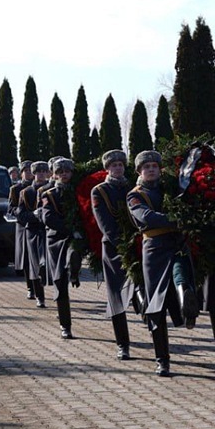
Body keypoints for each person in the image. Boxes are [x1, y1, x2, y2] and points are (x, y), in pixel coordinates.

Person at [127, 150, 197, 377]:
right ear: (139, 171)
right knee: (156, 305)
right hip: (154, 249)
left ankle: (187, 305)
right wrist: (176, 220)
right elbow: (146, 217)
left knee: (181, 275)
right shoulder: (135, 195)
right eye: (146, 167)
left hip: (176, 244)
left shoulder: (171, 189)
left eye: (154, 166)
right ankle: (162, 360)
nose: (151, 170)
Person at [91, 150, 134, 360]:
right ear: (107, 168)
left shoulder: (132, 187)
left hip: (137, 245)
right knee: (116, 296)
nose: (118, 168)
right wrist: (123, 245)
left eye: (120, 164)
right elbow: (105, 223)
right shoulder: (100, 191)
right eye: (114, 165)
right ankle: (122, 344)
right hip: (113, 248)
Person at [39, 158, 82, 339]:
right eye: (60, 172)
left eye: (67, 171)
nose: (64, 174)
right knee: (60, 282)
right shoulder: (49, 195)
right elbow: (48, 218)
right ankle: (65, 325)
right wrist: (70, 228)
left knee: (74, 253)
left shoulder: (79, 192)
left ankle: (74, 270)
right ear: (55, 175)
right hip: (56, 240)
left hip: (75, 239)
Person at [18, 161, 51, 307]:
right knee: (35, 265)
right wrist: (33, 215)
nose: (41, 175)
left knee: (50, 264)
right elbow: (20, 215)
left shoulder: (51, 189)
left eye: (44, 172)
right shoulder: (26, 192)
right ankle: (39, 296)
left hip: (48, 230)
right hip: (33, 231)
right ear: (34, 174)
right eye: (38, 172)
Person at [8, 161, 34, 298]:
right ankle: (30, 287)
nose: (29, 173)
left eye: (31, 171)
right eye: (26, 171)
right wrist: (19, 212)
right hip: (23, 225)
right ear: (21, 173)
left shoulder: (39, 187)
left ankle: (38, 285)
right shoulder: (16, 189)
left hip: (36, 225)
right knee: (26, 259)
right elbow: (10, 208)